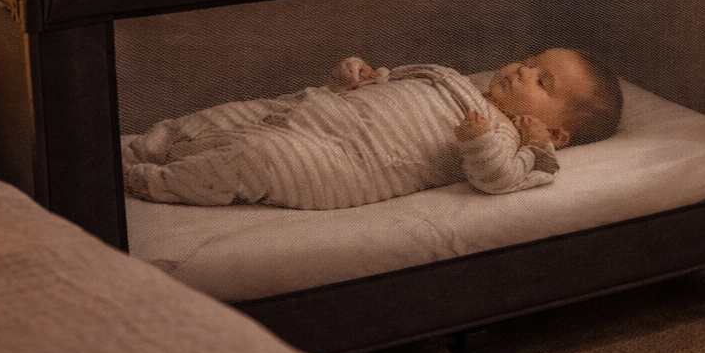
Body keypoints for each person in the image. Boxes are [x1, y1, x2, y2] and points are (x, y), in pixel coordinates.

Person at [122, 48, 623, 210]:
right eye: (530, 60)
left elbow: (498, 178)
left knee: (257, 159)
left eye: (542, 80)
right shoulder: (454, 78)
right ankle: (140, 146)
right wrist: (361, 78)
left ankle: (153, 181)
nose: (521, 70)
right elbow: (392, 86)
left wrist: (485, 143)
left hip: (346, 161)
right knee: (235, 114)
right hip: (318, 112)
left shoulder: (511, 139)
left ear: (557, 132)